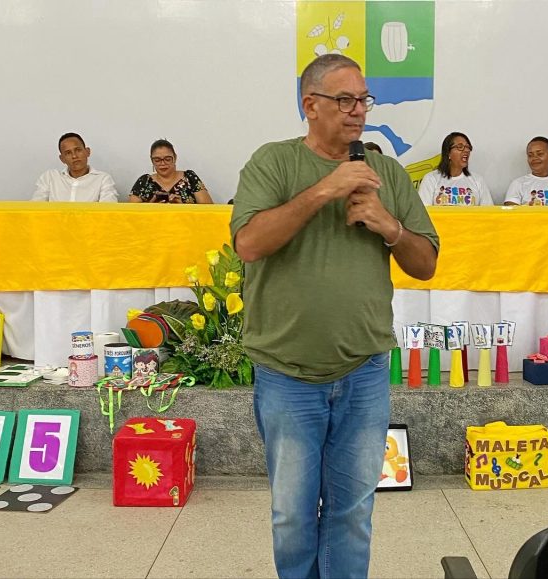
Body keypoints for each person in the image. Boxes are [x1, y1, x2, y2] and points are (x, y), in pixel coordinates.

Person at [230, 54, 439, 578]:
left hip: (364, 370)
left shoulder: (385, 172)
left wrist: (389, 226)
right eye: (344, 100)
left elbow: (426, 264)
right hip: (287, 373)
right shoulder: (273, 162)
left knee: (352, 513)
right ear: (310, 105)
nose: (358, 111)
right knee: (292, 516)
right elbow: (249, 244)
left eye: (363, 100)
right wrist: (327, 188)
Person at [31, 132, 118, 202]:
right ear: (62, 159)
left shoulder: (103, 179)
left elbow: (108, 212)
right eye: (68, 153)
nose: (74, 156)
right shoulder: (50, 178)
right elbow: (35, 209)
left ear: (87, 152)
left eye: (78, 150)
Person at [417, 132, 494, 206]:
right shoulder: (431, 179)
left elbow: (489, 212)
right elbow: (422, 212)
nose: (466, 150)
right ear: (448, 153)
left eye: (468, 147)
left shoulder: (478, 181)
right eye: (460, 147)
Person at [129, 139, 213, 204]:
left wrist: (182, 207)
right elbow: (131, 213)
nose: (163, 163)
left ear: (175, 158)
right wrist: (151, 206)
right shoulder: (144, 181)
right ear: (152, 160)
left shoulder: (190, 177)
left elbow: (208, 210)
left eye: (167, 159)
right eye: (157, 160)